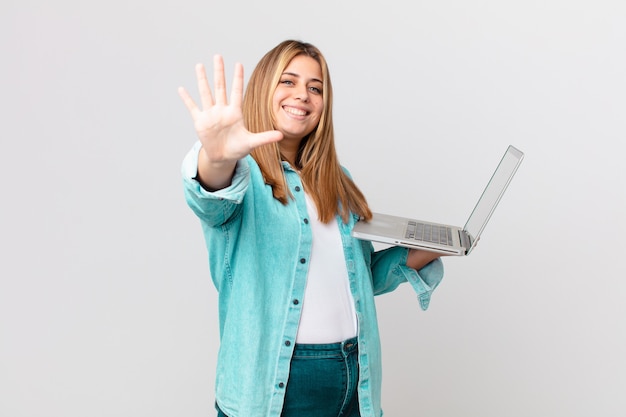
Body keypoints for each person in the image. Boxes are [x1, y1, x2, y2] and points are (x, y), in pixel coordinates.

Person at [178, 40, 445, 417]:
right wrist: (216, 157)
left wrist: (442, 245)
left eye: (315, 87)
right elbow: (208, 194)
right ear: (264, 89)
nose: (302, 95)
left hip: (356, 375)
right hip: (280, 386)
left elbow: (362, 279)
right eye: (288, 81)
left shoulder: (337, 181)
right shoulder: (241, 173)